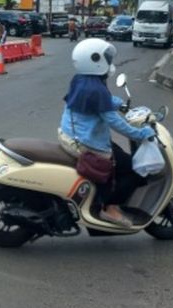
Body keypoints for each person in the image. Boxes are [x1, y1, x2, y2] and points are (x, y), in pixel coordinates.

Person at [57, 38, 155, 227]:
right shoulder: (95, 87)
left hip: (72, 134)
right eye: (107, 57)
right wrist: (140, 134)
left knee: (120, 156)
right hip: (85, 141)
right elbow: (114, 122)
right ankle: (109, 207)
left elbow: (95, 102)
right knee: (133, 169)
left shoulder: (82, 79)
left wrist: (115, 102)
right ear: (95, 60)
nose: (110, 61)